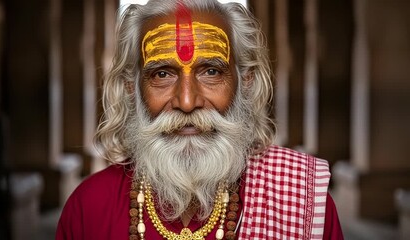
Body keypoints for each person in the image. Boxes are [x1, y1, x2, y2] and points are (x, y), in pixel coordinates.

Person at [56, 0, 344, 239]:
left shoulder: (300, 203)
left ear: (246, 81)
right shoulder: (89, 207)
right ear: (132, 88)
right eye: (162, 74)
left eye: (211, 72)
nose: (187, 101)